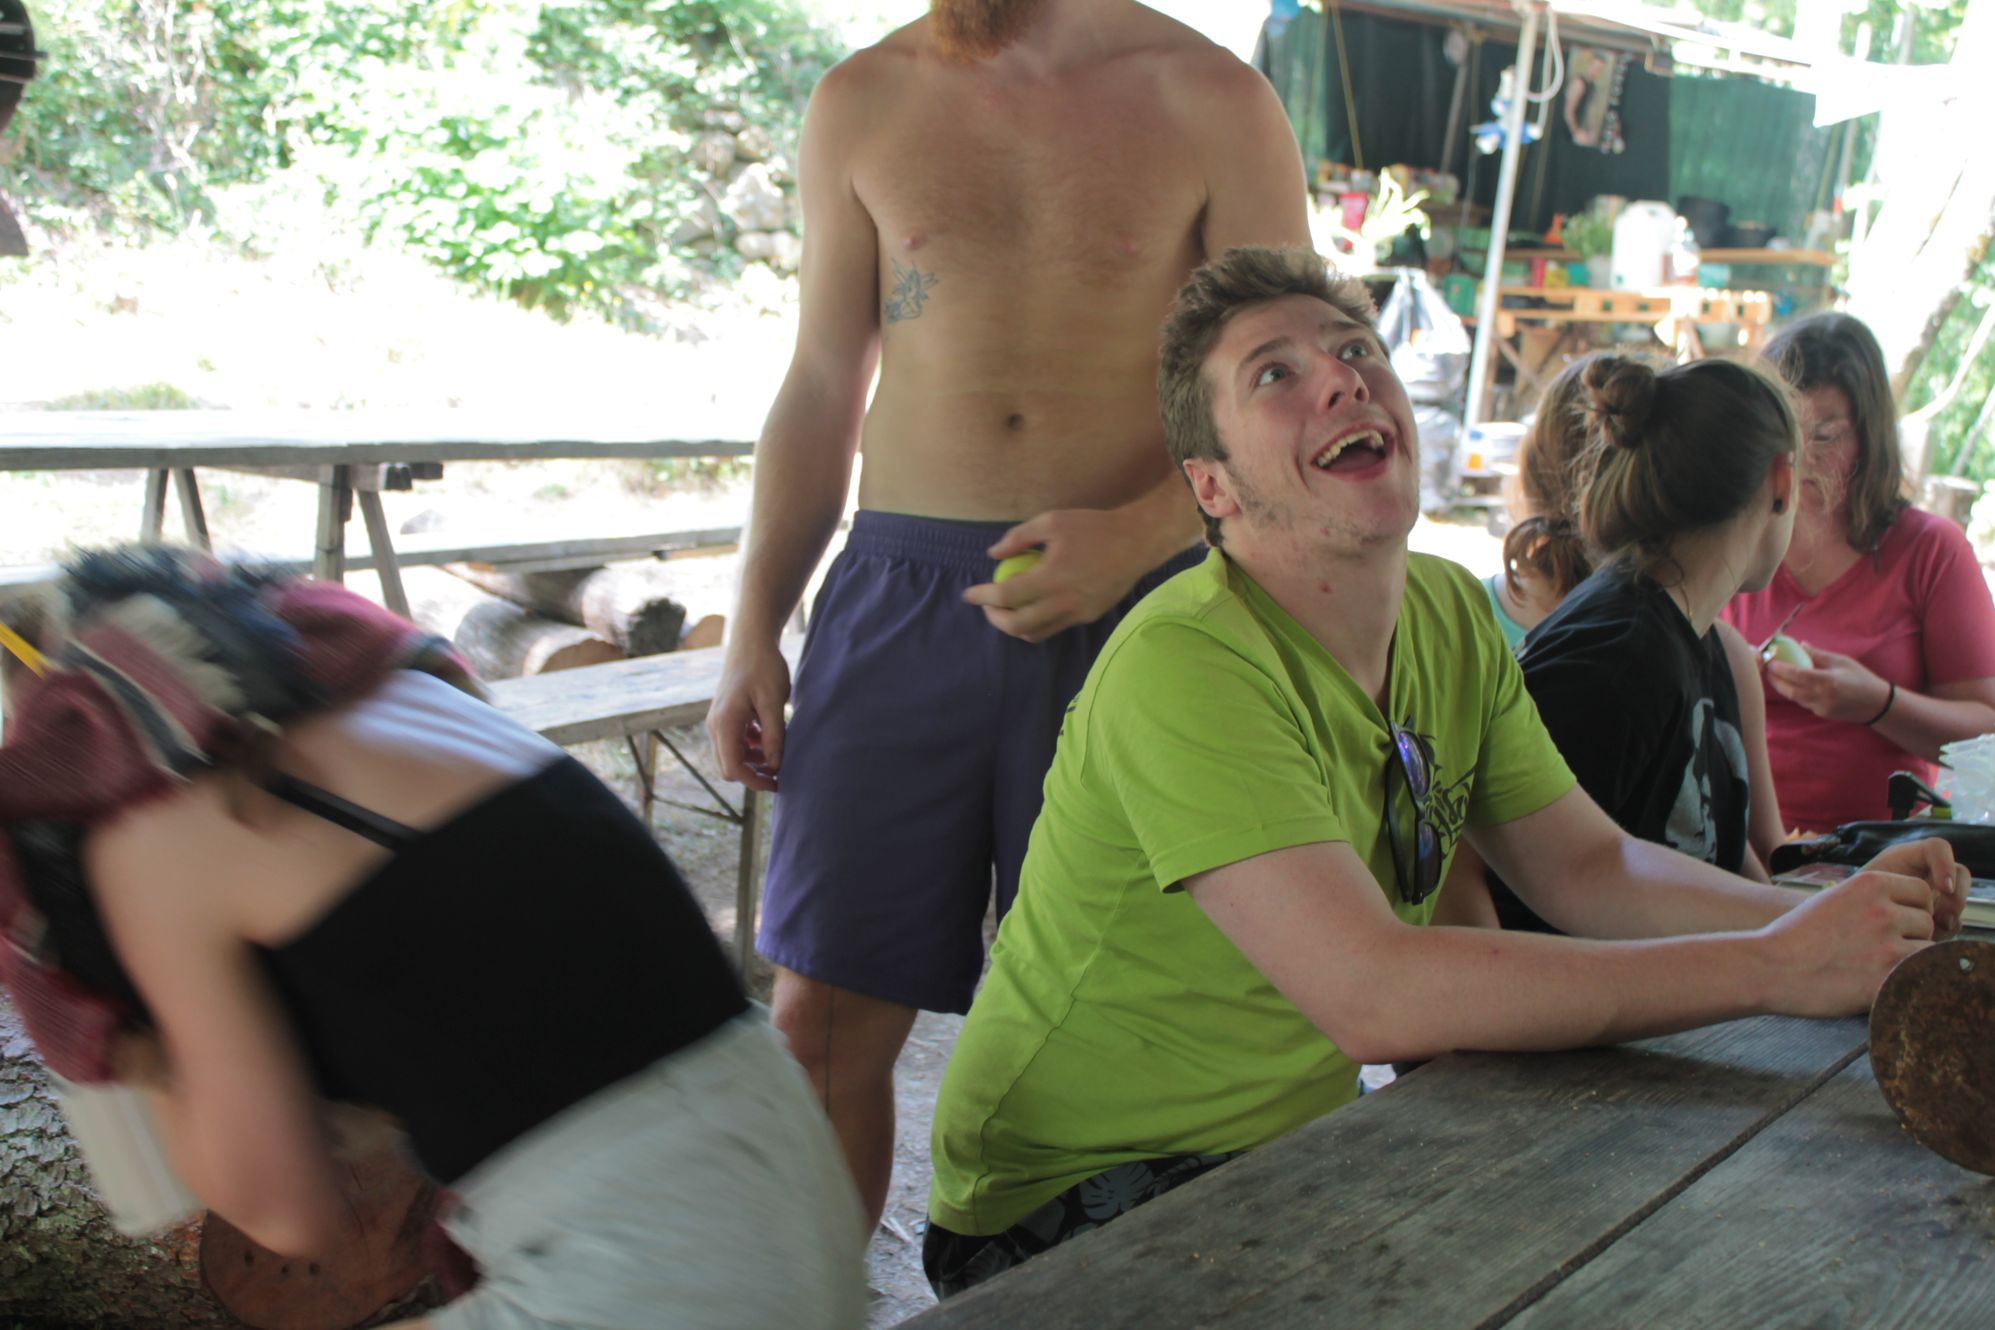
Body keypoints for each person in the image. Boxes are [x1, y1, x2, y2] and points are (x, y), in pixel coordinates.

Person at [923, 246, 1963, 1296]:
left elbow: (1590, 867)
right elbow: (1375, 991)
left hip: (1288, 1143)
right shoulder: (1186, 662)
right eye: (1275, 374)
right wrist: (1773, 966)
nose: (1343, 379)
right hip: (1070, 1183)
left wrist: (1826, 923)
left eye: (1355, 350)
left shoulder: (1446, 613)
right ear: (1212, 486)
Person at [704, 0, 1314, 1230]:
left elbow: (1294, 377)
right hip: (897, 600)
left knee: (1127, 1030)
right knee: (819, 1023)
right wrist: (751, 623)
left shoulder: (1213, 99)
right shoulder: (863, 98)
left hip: (1144, 609)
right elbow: (822, 380)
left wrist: (1142, 534)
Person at [0, 549, 865, 1330]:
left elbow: (282, 1212)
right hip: (799, 1202)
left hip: (667, 1279)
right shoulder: (411, 693)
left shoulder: (152, 837)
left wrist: (146, 1055)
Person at [1465, 356, 1800, 936]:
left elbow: (1733, 875)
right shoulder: (1615, 659)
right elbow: (1502, 896)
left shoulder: (1698, 641)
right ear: (1782, 481)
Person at [1724, 312, 1995, 832]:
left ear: (1870, 439)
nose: (1798, 459)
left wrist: (1878, 704)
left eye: (1824, 436)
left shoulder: (1929, 551)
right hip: (1742, 846)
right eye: (1784, 435)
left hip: (1882, 849)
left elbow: (1984, 735)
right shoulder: (1731, 543)